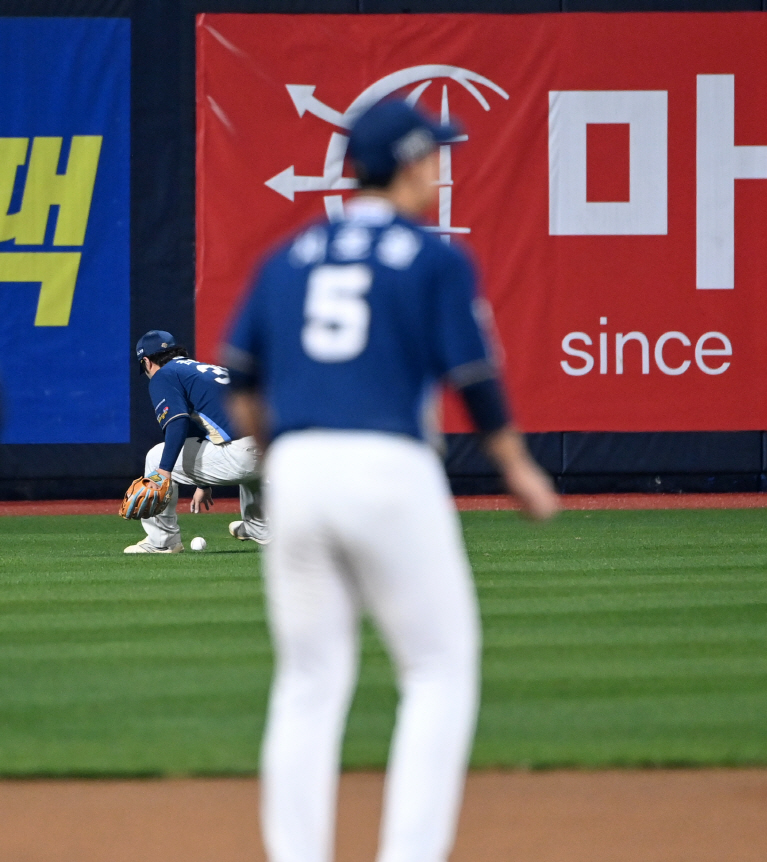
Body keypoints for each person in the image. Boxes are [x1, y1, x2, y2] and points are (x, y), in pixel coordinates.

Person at [221, 97, 559, 862]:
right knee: (438, 672)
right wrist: (517, 469)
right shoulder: (433, 258)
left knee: (307, 680)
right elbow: (473, 374)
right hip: (388, 466)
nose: (440, 168)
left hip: (299, 468)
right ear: (408, 165)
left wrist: (283, 459)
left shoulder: (290, 255)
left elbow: (240, 381)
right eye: (433, 155)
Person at [124, 331, 268, 553]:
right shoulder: (200, 369)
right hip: (271, 447)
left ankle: (162, 542)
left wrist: (163, 472)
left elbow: (178, 423)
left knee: (155, 457)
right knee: (249, 456)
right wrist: (202, 482)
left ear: (146, 361)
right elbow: (200, 428)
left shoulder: (164, 374)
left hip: (243, 453)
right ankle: (260, 527)